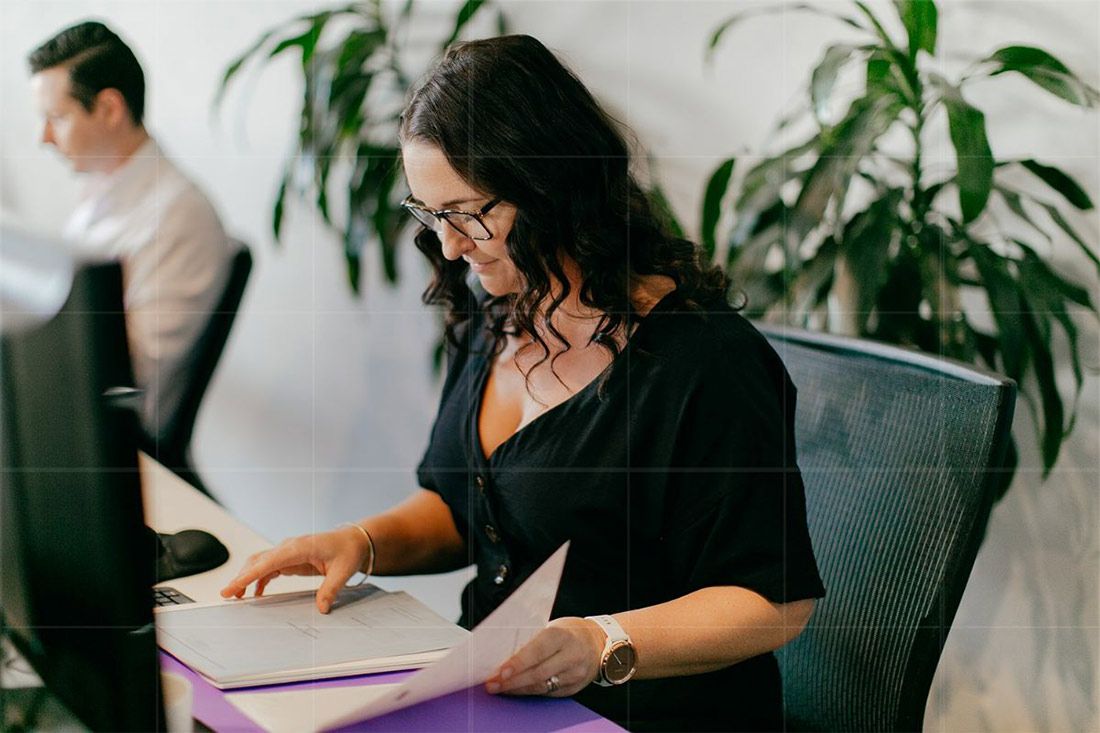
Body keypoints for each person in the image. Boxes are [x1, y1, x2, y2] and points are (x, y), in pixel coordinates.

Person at [221, 35, 824, 732]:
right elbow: (460, 507)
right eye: (431, 213)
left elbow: (775, 602)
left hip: (640, 712)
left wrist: (601, 641)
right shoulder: (500, 309)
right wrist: (362, 540)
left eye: (470, 213)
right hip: (497, 698)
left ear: (550, 185)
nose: (448, 245)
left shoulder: (704, 364)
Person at [28, 20, 234, 439]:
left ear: (108, 109)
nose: (44, 138)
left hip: (105, 441)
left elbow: (124, 375)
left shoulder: (179, 219)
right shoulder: (101, 187)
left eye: (56, 117)